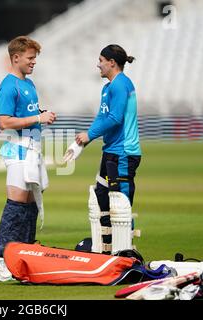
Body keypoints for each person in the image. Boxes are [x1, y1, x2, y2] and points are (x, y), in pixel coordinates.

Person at [69, 44, 141, 254]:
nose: (98, 65)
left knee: (120, 204)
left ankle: (126, 252)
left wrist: (89, 134)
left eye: (101, 60)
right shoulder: (108, 87)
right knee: (102, 196)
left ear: (111, 63)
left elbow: (115, 118)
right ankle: (108, 249)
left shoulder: (120, 85)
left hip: (124, 153)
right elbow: (102, 118)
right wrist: (85, 140)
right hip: (111, 151)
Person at [0, 36, 56, 257]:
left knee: (31, 203)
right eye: (30, 58)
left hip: (33, 150)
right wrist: (39, 119)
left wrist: (40, 115)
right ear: (16, 58)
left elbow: (27, 115)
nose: (34, 62)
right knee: (17, 204)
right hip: (17, 150)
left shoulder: (29, 84)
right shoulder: (9, 86)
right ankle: (4, 256)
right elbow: (4, 122)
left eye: (35, 58)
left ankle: (27, 253)